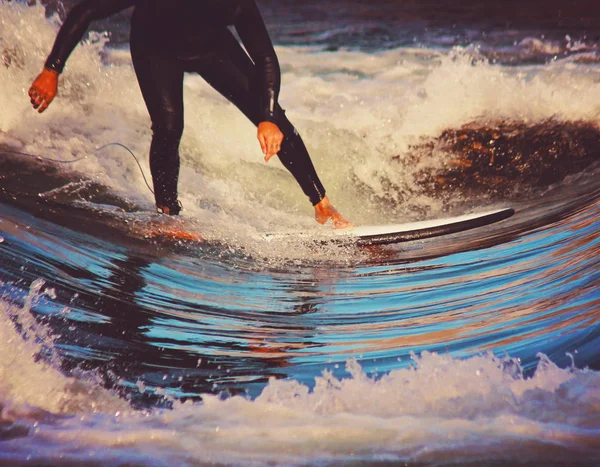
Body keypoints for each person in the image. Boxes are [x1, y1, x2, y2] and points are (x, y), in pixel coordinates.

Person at [28, 0, 351, 227]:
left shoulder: (235, 4)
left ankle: (322, 205)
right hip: (155, 48)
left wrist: (266, 118)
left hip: (211, 48)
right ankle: (168, 215)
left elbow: (266, 57)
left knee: (275, 118)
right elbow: (87, 11)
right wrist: (52, 69)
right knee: (168, 127)